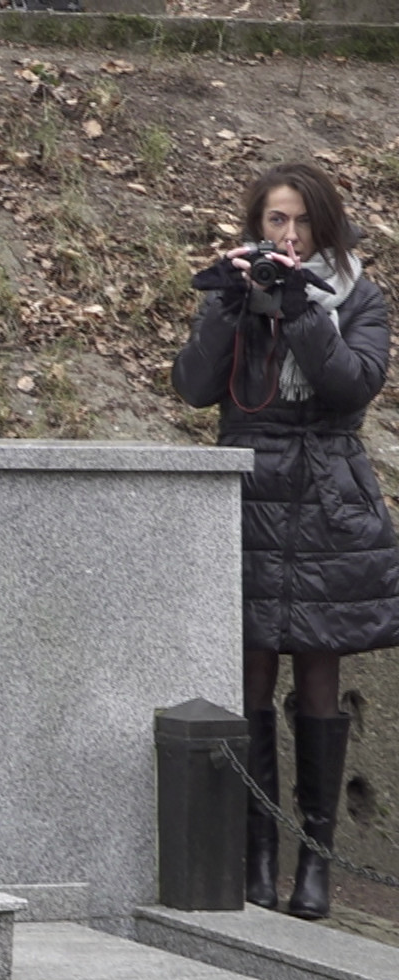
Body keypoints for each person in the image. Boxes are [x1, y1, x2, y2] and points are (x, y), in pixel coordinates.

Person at [172, 161, 399, 920]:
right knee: (251, 676)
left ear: (325, 224)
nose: (290, 236)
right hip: (250, 500)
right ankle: (258, 855)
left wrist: (303, 307)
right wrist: (225, 306)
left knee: (319, 679)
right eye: (276, 221)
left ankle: (317, 864)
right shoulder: (240, 292)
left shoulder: (360, 297)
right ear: (256, 224)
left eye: (302, 222)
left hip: (329, 502)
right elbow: (195, 387)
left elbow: (349, 385)